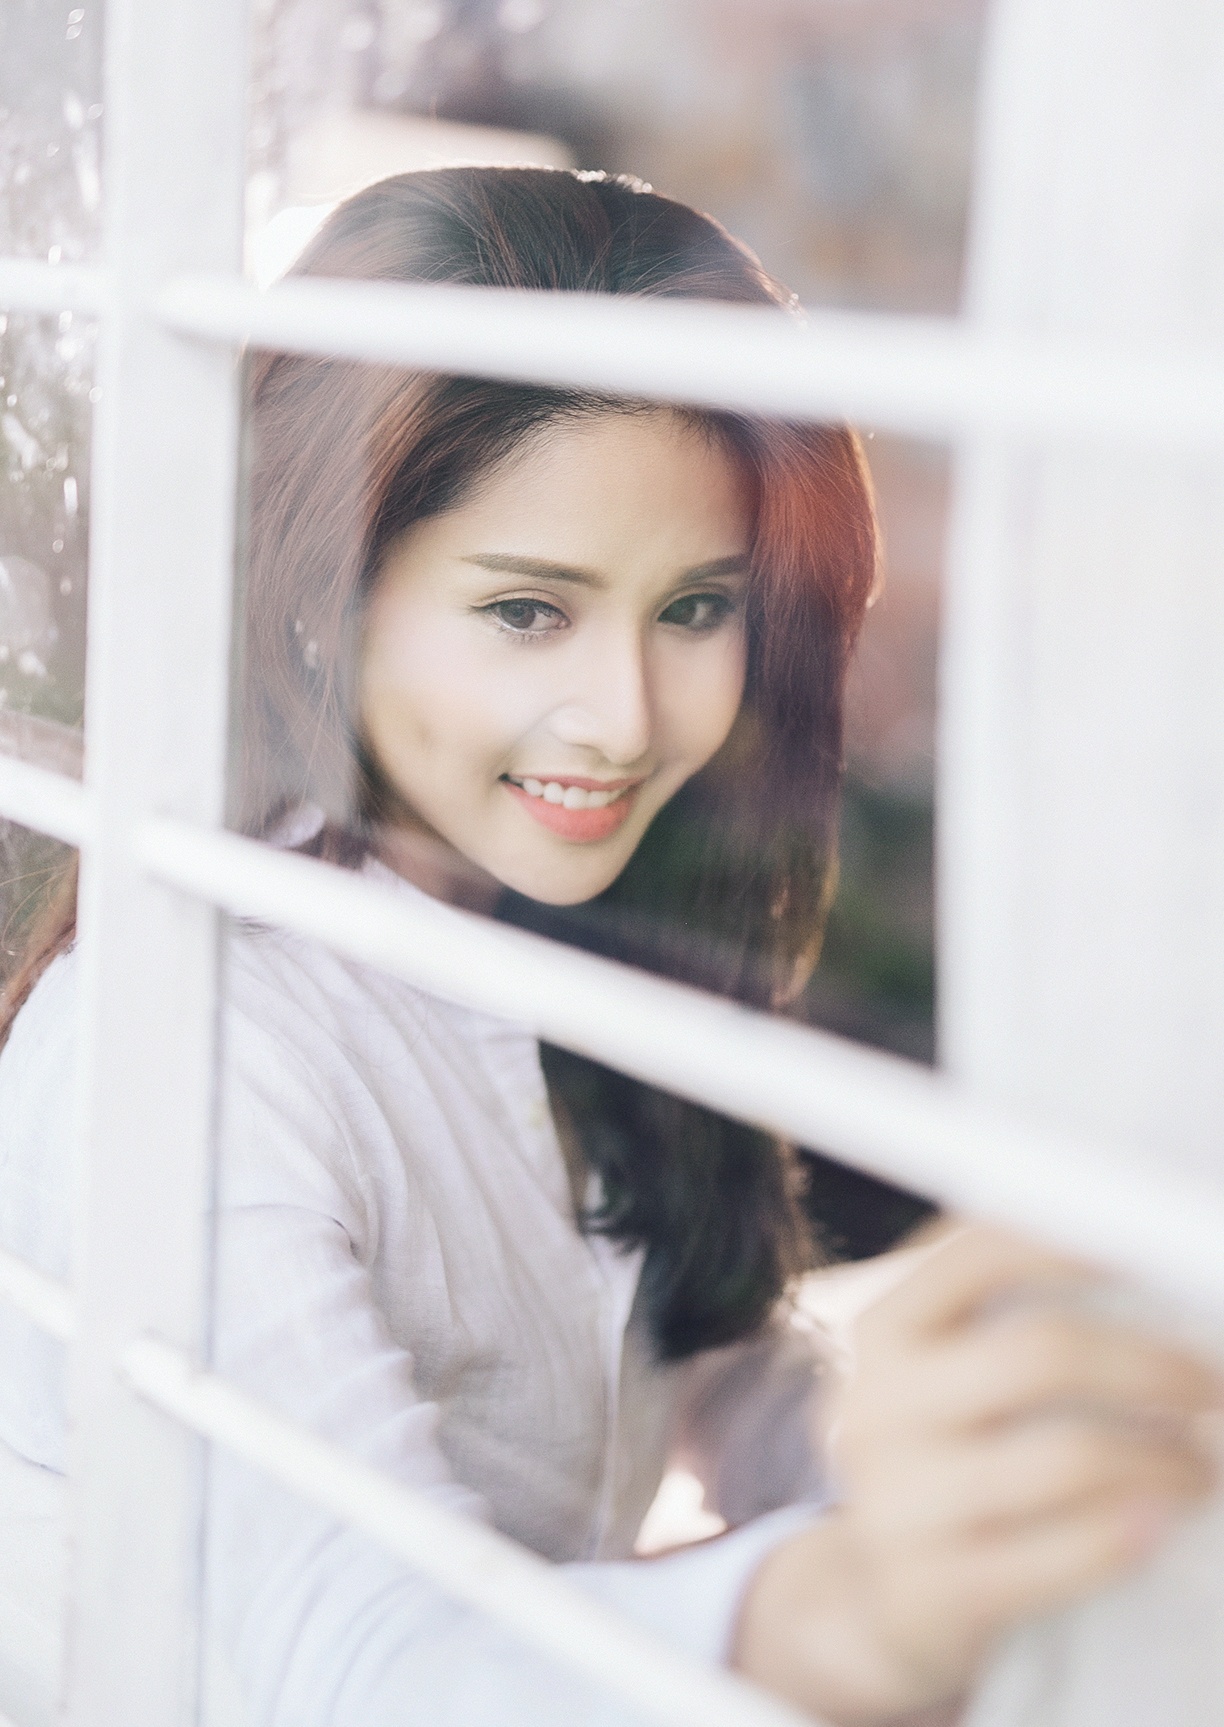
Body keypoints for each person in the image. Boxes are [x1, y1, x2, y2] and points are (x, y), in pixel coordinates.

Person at [0, 167, 1218, 1727]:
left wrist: (964, 1465)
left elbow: (724, 1358)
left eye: (696, 610)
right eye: (529, 613)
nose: (629, 720)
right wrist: (852, 1606)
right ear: (321, 595)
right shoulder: (186, 1043)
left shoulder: (566, 945)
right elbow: (372, 1668)